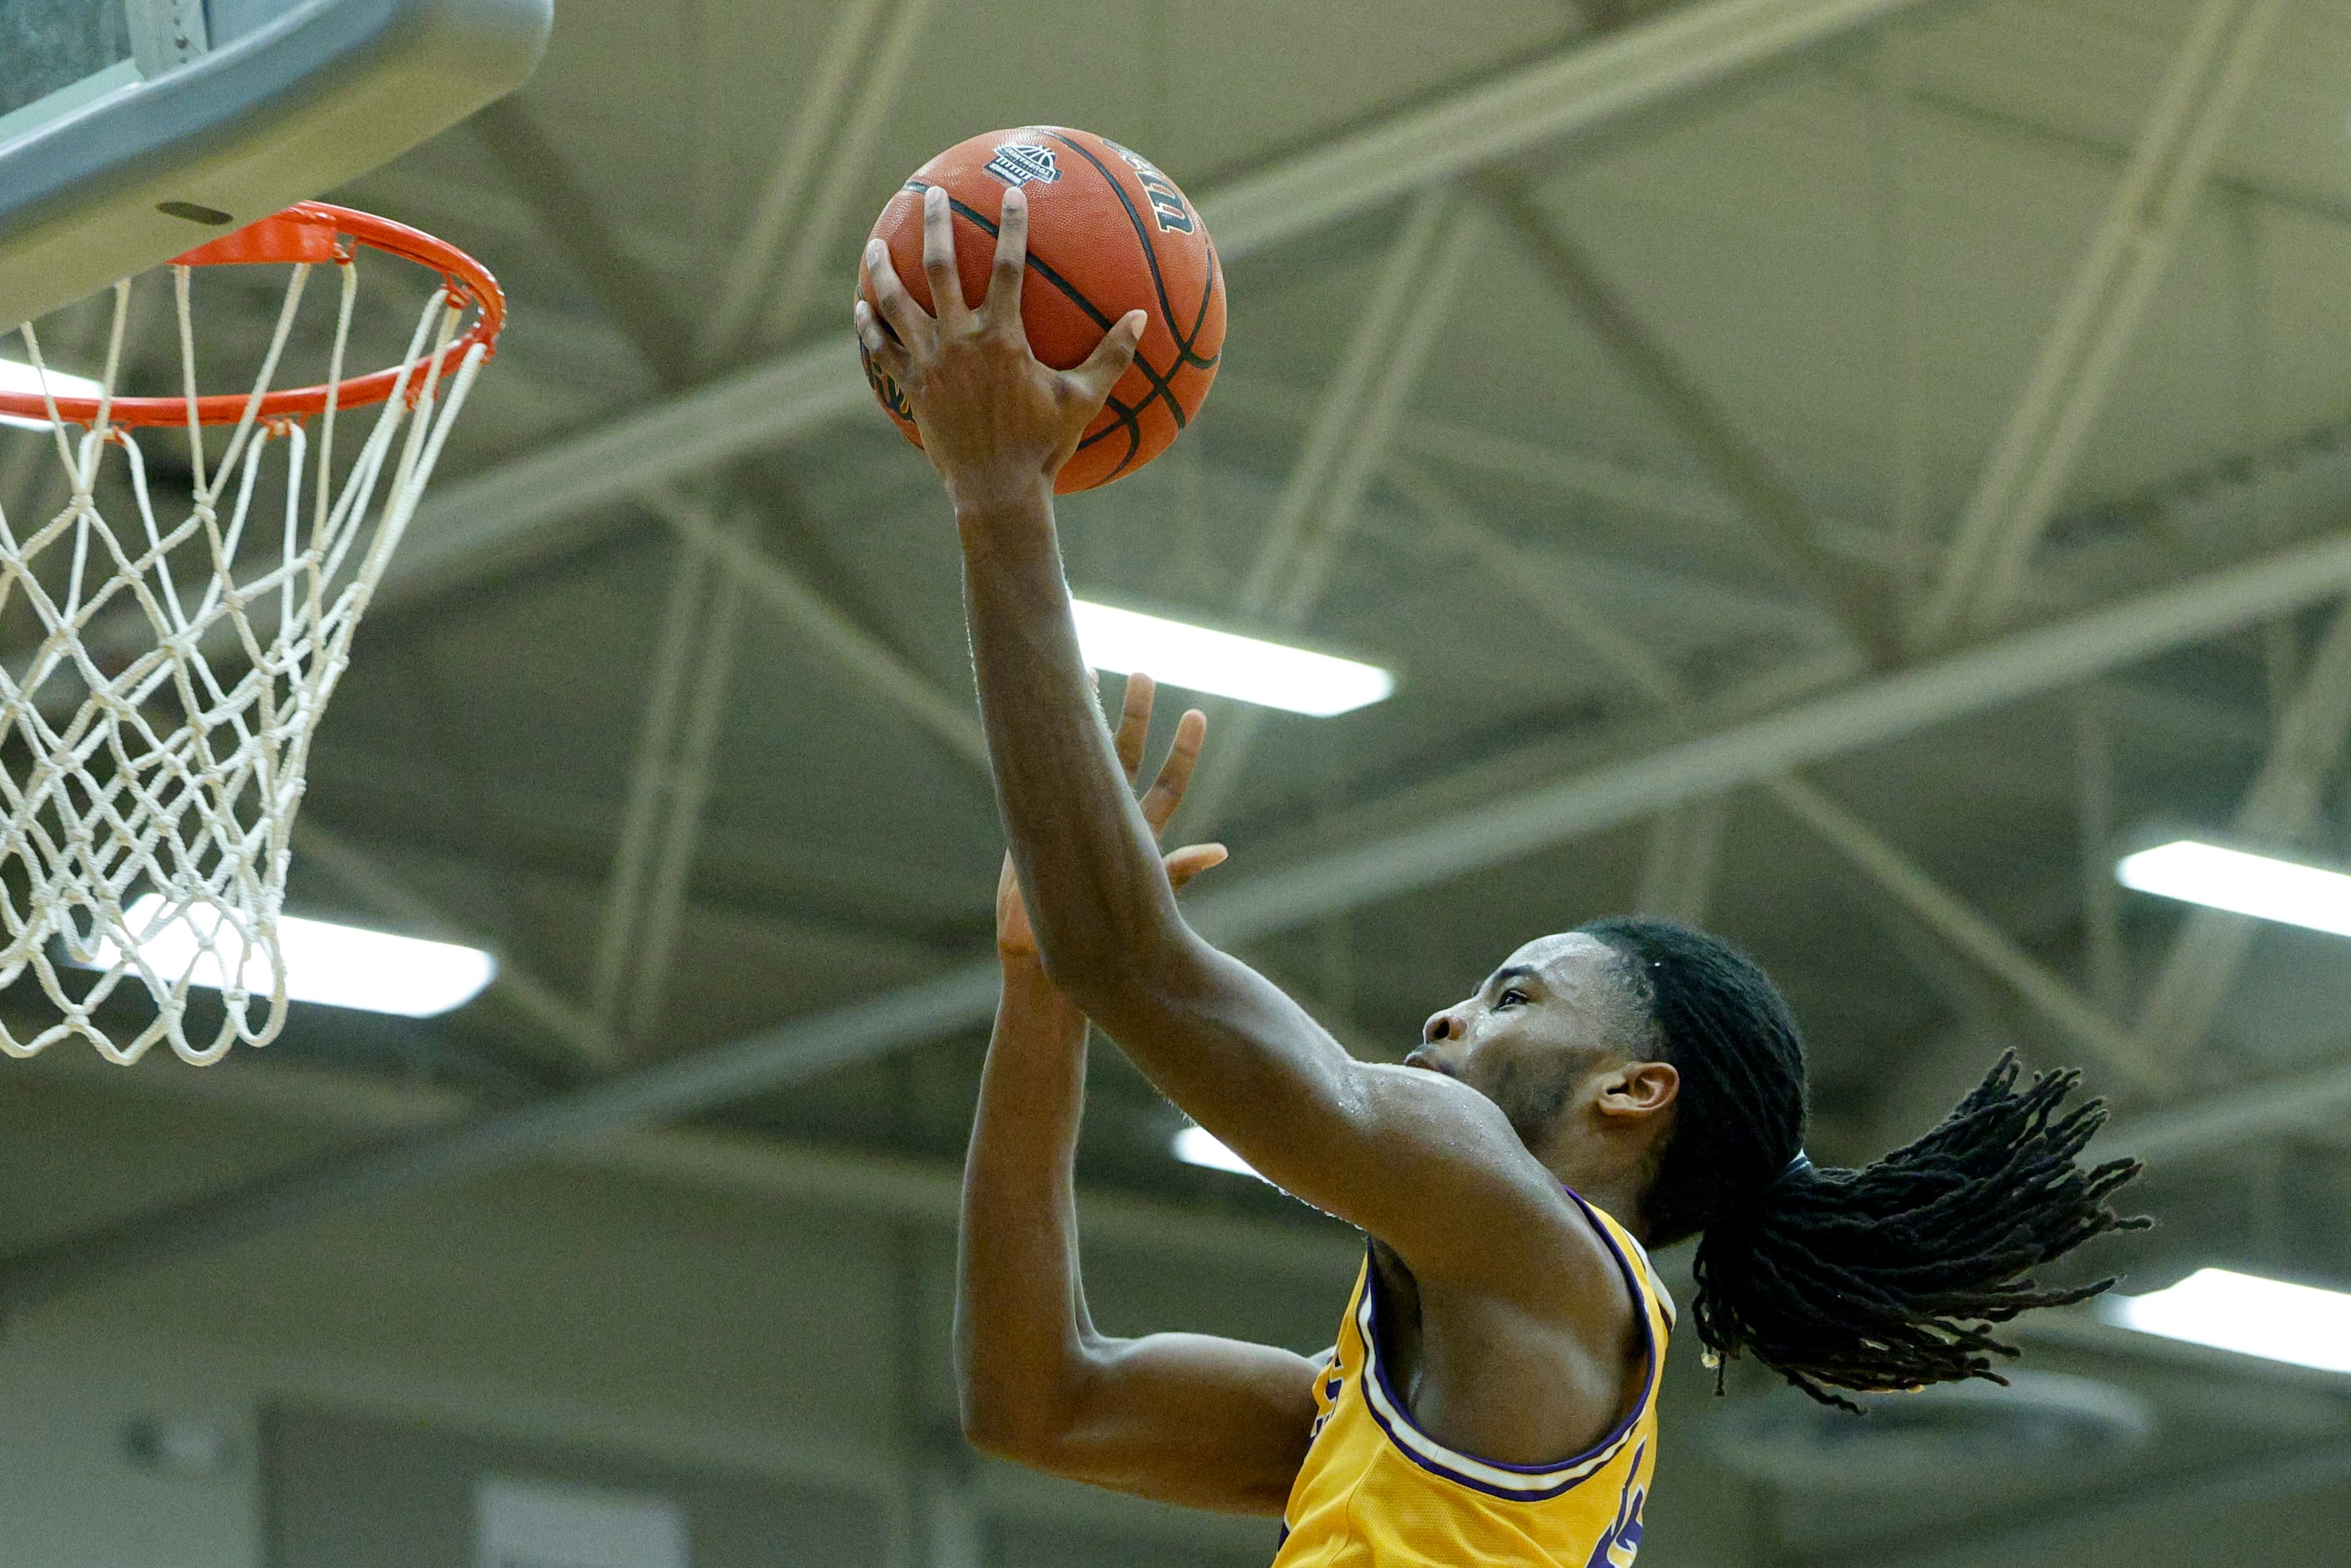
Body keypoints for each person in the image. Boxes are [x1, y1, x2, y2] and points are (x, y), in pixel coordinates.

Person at [854, 184, 2148, 1565]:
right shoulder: (1449, 1369)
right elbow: (1039, 1400)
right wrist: (1041, 997)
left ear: (1634, 1092)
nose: (1450, 1020)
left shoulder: (1528, 1234)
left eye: (1514, 994)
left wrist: (1002, 500)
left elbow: (1139, 962)